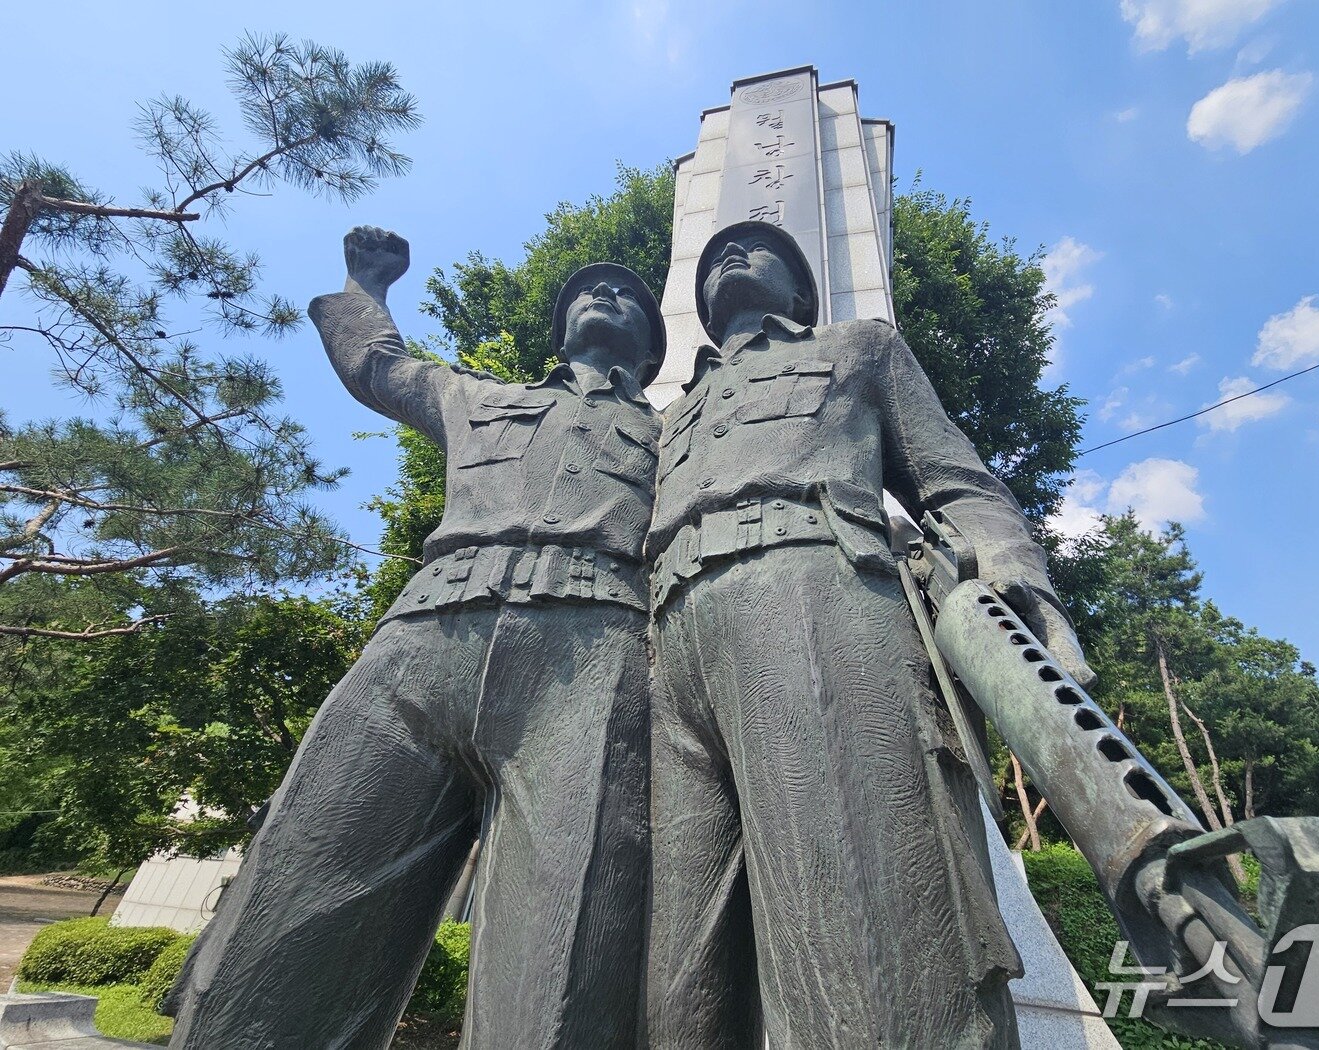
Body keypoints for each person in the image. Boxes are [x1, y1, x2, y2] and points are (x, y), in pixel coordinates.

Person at [170, 226, 665, 1049]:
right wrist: (365, 288)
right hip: (418, 647)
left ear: (651, 347)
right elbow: (381, 367)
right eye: (588, 289)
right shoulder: (477, 397)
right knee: (301, 896)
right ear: (560, 330)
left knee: (563, 953)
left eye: (627, 295)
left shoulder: (681, 435)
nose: (604, 295)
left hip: (593, 660)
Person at [645, 220, 1092, 1049]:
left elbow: (953, 481)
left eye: (758, 248)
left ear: (800, 291)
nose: (730, 256)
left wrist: (1017, 579)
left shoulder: (858, 347)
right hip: (669, 648)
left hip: (817, 597)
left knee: (863, 916)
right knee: (682, 972)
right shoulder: (670, 419)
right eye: (714, 257)